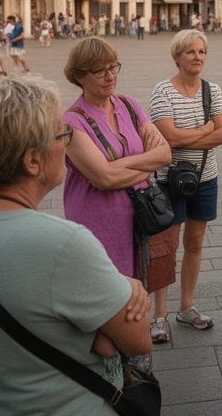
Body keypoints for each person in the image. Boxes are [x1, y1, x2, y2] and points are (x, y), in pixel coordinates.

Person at [0, 75, 152, 416]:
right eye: (61, 136)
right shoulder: (64, 243)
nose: (67, 144)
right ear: (32, 161)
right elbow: (138, 340)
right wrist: (129, 286)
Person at [62, 38, 172, 284]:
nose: (110, 76)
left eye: (113, 67)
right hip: (99, 224)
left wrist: (118, 166)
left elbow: (165, 155)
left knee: (140, 291)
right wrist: (146, 164)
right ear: (80, 76)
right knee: (108, 294)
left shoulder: (129, 105)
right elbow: (104, 179)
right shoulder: (72, 122)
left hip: (141, 218)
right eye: (100, 70)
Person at [148, 30, 222, 342]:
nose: (197, 57)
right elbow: (168, 138)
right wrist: (206, 128)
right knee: (166, 246)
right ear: (177, 56)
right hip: (169, 180)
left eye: (201, 52)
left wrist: (191, 134)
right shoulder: (162, 92)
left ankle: (186, 306)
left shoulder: (213, 90)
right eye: (190, 52)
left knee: (194, 242)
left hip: (205, 177)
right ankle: (158, 315)